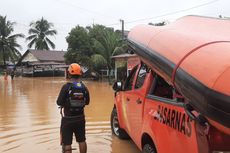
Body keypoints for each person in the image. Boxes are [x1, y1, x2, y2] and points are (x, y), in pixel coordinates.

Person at [57, 63, 90, 153]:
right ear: (80, 74)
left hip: (67, 119)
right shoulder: (84, 87)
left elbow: (58, 102)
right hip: (80, 118)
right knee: (82, 140)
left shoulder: (66, 87)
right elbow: (87, 102)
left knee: (67, 142)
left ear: (69, 74)